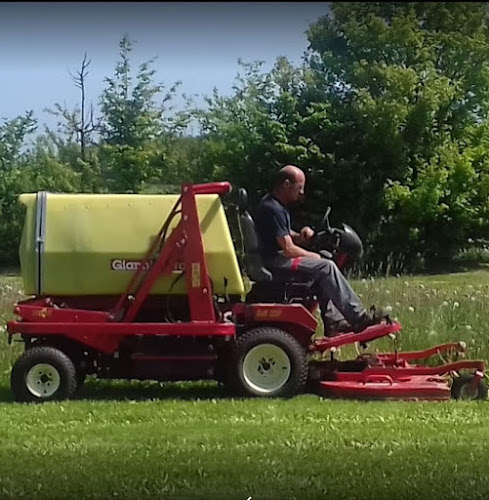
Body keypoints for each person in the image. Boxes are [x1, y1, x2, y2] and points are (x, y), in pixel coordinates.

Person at [253, 165, 387, 336]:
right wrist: (313, 255)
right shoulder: (272, 208)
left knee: (323, 261)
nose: (301, 193)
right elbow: (288, 249)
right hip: (274, 261)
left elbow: (282, 236)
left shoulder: (276, 205)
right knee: (326, 266)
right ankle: (358, 318)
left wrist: (300, 236)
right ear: (286, 184)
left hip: (273, 257)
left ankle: (334, 322)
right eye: (299, 187)